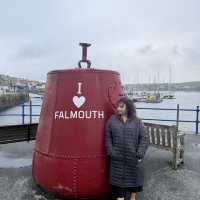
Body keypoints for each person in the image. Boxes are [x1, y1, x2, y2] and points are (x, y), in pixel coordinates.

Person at [105, 96, 149, 200]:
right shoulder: (112, 120)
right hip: (117, 158)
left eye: (121, 106)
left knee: (134, 181)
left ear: (128, 108)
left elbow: (144, 138)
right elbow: (107, 137)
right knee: (118, 185)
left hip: (133, 158)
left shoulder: (137, 121)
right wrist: (111, 151)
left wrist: (139, 153)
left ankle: (133, 197)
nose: (118, 109)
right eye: (118, 107)